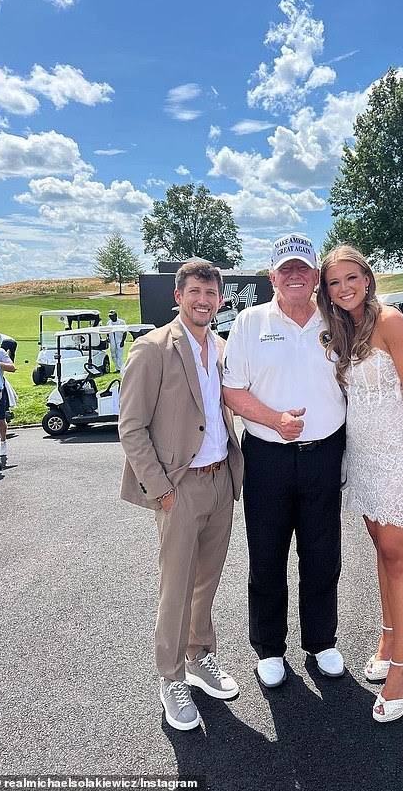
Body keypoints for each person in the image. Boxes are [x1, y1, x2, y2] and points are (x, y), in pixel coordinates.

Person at [119, 260, 244, 731]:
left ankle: (199, 656)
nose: (204, 300)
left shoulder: (224, 347)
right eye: (195, 291)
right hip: (180, 486)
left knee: (205, 583)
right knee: (176, 588)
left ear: (220, 299)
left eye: (211, 293)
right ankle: (169, 676)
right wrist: (163, 493)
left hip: (220, 482)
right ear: (179, 295)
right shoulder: (151, 350)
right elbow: (130, 428)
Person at [223, 233, 346, 688]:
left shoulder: (337, 320)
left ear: (316, 275)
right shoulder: (250, 323)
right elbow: (232, 390)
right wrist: (275, 419)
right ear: (272, 276)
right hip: (268, 457)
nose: (295, 275)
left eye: (303, 268)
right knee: (267, 554)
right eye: (285, 268)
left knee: (322, 553)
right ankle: (269, 648)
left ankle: (321, 641)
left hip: (324, 455)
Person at [317, 244, 403, 724]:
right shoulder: (342, 328)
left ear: (367, 277)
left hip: (397, 453)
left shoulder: (391, 321)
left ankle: (401, 668)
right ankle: (388, 638)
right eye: (334, 283)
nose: (343, 289)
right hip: (360, 455)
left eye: (350, 279)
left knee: (398, 556)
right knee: (382, 553)